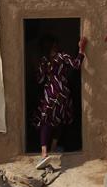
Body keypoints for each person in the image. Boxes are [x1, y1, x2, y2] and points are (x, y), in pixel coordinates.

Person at [32, 34, 87, 168]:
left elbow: (40, 80)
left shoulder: (44, 60)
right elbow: (77, 65)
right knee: (60, 119)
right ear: (55, 45)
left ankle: (44, 153)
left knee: (46, 121)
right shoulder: (63, 56)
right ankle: (54, 147)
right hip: (63, 93)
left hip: (50, 93)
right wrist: (81, 49)